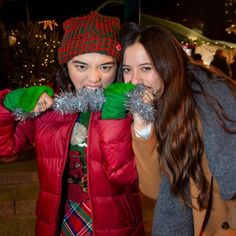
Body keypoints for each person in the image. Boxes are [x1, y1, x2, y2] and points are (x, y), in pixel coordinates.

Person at [0, 12, 145, 236]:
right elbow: (6, 147)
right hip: (58, 220)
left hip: (115, 224)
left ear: (117, 67)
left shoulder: (131, 108)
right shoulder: (50, 108)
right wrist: (8, 104)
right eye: (81, 66)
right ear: (65, 66)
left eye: (105, 67)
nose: (94, 78)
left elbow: (128, 176)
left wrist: (115, 115)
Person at [118, 22, 236, 236]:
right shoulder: (160, 104)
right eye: (127, 70)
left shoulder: (213, 104)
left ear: (167, 65)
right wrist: (143, 127)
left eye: (146, 68)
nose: (134, 81)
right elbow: (155, 189)